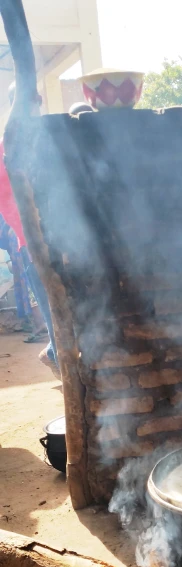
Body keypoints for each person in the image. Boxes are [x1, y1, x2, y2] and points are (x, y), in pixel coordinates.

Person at [0, 82, 59, 378]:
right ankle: (56, 356)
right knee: (57, 318)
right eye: (28, 101)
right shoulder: (7, 150)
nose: (35, 106)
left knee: (65, 318)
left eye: (36, 100)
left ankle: (53, 353)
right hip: (35, 246)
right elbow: (10, 203)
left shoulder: (45, 141)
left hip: (60, 243)